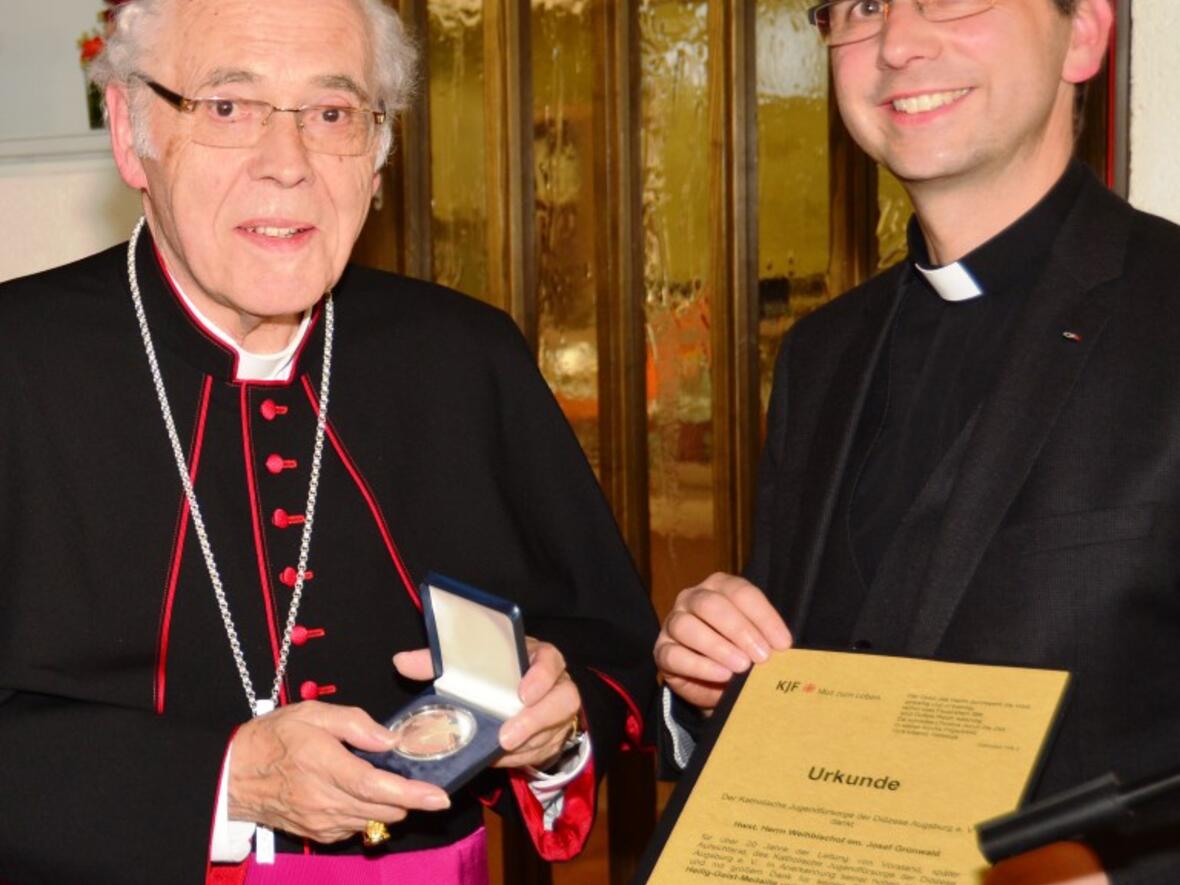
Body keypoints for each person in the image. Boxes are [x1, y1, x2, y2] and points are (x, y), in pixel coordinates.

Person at [0, 1, 657, 883]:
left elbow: (611, 652)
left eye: (333, 114)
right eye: (228, 108)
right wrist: (226, 781)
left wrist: (556, 724)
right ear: (130, 131)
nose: (288, 167)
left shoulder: (467, 356)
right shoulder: (18, 362)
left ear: (379, 156)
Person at [655, 0, 1180, 881]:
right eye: (862, 6)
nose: (897, 42)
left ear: (1083, 34)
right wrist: (711, 678)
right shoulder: (823, 354)